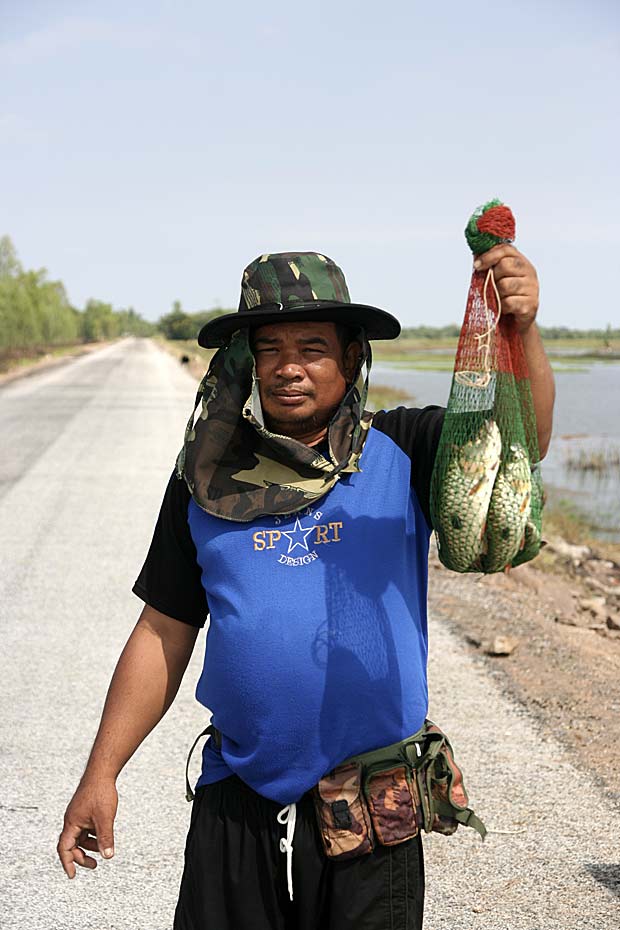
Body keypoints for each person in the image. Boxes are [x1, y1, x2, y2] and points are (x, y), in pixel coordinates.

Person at [57, 248, 554, 929]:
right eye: (270, 349)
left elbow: (523, 442)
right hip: (239, 801)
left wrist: (520, 330)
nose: (289, 367)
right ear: (247, 363)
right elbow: (162, 632)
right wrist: (101, 774)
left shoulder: (406, 449)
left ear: (351, 360)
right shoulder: (205, 482)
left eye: (313, 348)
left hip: (373, 811)